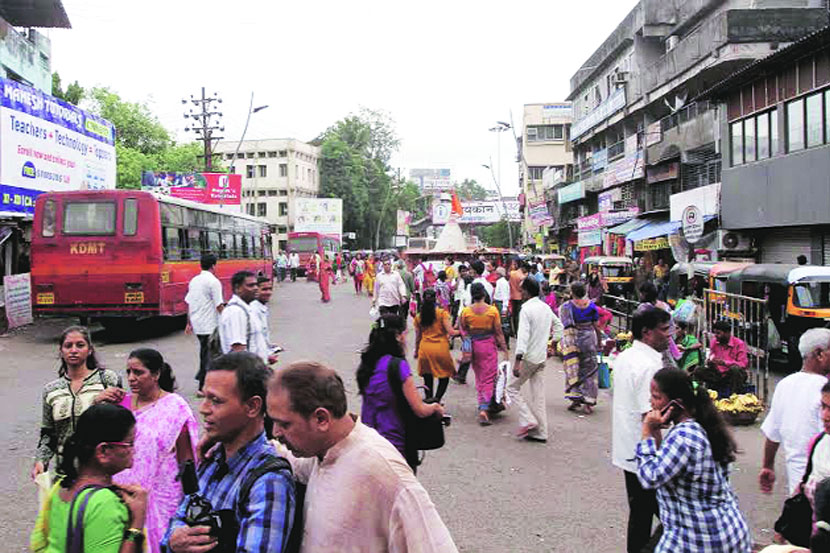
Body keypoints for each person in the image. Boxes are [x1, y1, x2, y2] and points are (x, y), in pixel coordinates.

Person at [268, 362, 458, 552]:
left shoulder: (380, 469)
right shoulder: (321, 453)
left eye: (284, 424)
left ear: (321, 419)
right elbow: (294, 463)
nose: (276, 432)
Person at [162, 352, 295, 553]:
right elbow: (180, 518)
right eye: (204, 397)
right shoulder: (211, 458)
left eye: (215, 400)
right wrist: (174, 542)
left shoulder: (268, 481)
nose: (204, 409)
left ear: (252, 406)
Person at [636, 368, 751, 553]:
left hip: (699, 539)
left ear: (676, 404)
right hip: (729, 531)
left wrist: (647, 432)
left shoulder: (684, 436)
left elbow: (650, 477)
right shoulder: (704, 424)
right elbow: (661, 462)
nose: (651, 402)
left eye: (656, 397)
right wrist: (656, 432)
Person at [30, 404, 147, 553]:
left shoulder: (61, 485)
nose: (134, 450)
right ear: (103, 451)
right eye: (129, 443)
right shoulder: (105, 503)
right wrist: (137, 523)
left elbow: (39, 542)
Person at [113, 349, 198, 553]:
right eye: (128, 372)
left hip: (163, 497)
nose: (132, 378)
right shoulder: (120, 404)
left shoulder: (175, 408)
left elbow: (186, 461)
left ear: (156, 374)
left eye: (138, 372)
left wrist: (191, 504)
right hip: (123, 494)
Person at [611, 307, 671, 553]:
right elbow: (651, 417)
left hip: (628, 450)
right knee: (675, 517)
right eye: (664, 330)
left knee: (641, 515)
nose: (669, 335)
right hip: (645, 453)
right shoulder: (647, 366)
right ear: (647, 333)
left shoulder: (626, 357)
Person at [33, 326, 123, 480]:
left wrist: (99, 404)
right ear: (61, 351)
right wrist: (41, 461)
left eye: (80, 345)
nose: (73, 350)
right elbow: (48, 434)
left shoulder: (107, 380)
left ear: (89, 350)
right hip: (64, 474)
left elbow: (121, 425)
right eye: (68, 346)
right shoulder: (51, 390)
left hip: (101, 472)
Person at [357, 314, 445, 471]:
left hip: (368, 442)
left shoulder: (367, 364)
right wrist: (436, 408)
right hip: (395, 444)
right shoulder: (398, 366)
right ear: (397, 336)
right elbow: (419, 409)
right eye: (405, 333)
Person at [760, 328, 830, 495]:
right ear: (819, 354)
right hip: (822, 487)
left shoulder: (785, 385)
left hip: (798, 487)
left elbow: (772, 434)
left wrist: (767, 466)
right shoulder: (824, 390)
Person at [507, 277, 563, 443]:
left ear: (527, 291)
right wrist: (553, 344)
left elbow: (522, 338)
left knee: (511, 388)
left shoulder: (526, 309)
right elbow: (559, 326)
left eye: (522, 289)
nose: (520, 292)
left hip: (529, 358)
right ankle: (541, 432)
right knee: (538, 395)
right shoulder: (545, 307)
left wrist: (517, 361)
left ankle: (528, 419)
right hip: (541, 357)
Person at [459, 282, 509, 425]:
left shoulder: (466, 312)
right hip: (488, 347)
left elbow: (464, 331)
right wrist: (505, 350)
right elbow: (499, 333)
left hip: (474, 348)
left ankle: (484, 402)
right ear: (483, 294)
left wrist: (466, 350)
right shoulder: (492, 311)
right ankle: (484, 408)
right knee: (489, 377)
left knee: (480, 377)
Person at [184, 253, 225, 394]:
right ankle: (203, 386)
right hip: (210, 324)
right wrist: (228, 319)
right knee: (211, 356)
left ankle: (204, 383)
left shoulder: (194, 281)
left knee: (205, 353)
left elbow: (189, 303)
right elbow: (219, 305)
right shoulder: (214, 282)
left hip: (198, 323)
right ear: (214, 266)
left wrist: (188, 323)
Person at [559, 281, 601, 414]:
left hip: (574, 340)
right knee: (590, 370)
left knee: (573, 368)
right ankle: (588, 402)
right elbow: (597, 327)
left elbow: (565, 324)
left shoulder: (567, 306)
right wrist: (599, 342)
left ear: (572, 292)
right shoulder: (592, 306)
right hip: (589, 339)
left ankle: (575, 399)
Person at [415, 289, 460, 404]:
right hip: (440, 349)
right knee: (444, 376)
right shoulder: (442, 314)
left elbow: (418, 337)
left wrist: (416, 351)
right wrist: (463, 331)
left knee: (427, 375)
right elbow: (451, 332)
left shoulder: (419, 317)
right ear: (436, 299)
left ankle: (429, 397)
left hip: (425, 349)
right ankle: (437, 398)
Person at [219, 271, 268, 362]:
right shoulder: (235, 312)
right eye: (251, 285)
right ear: (237, 288)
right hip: (247, 372)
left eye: (256, 285)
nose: (256, 288)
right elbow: (238, 349)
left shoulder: (247, 309)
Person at [695, 320, 749, 394]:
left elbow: (743, 364)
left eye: (718, 333)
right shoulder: (714, 342)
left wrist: (725, 363)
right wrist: (710, 362)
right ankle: (700, 394)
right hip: (718, 374)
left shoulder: (739, 344)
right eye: (715, 333)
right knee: (698, 370)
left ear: (727, 333)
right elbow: (712, 355)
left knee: (735, 369)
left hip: (732, 375)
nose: (716, 335)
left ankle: (734, 397)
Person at [251, 275, 279, 365]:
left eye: (270, 289)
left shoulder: (261, 307)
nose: (268, 292)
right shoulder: (253, 310)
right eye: (264, 289)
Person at [508, 260, 527, 335]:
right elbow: (521, 288)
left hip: (512, 296)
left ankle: (514, 331)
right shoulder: (522, 276)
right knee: (518, 315)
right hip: (519, 297)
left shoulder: (512, 273)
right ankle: (518, 331)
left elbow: (508, 272)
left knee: (513, 314)